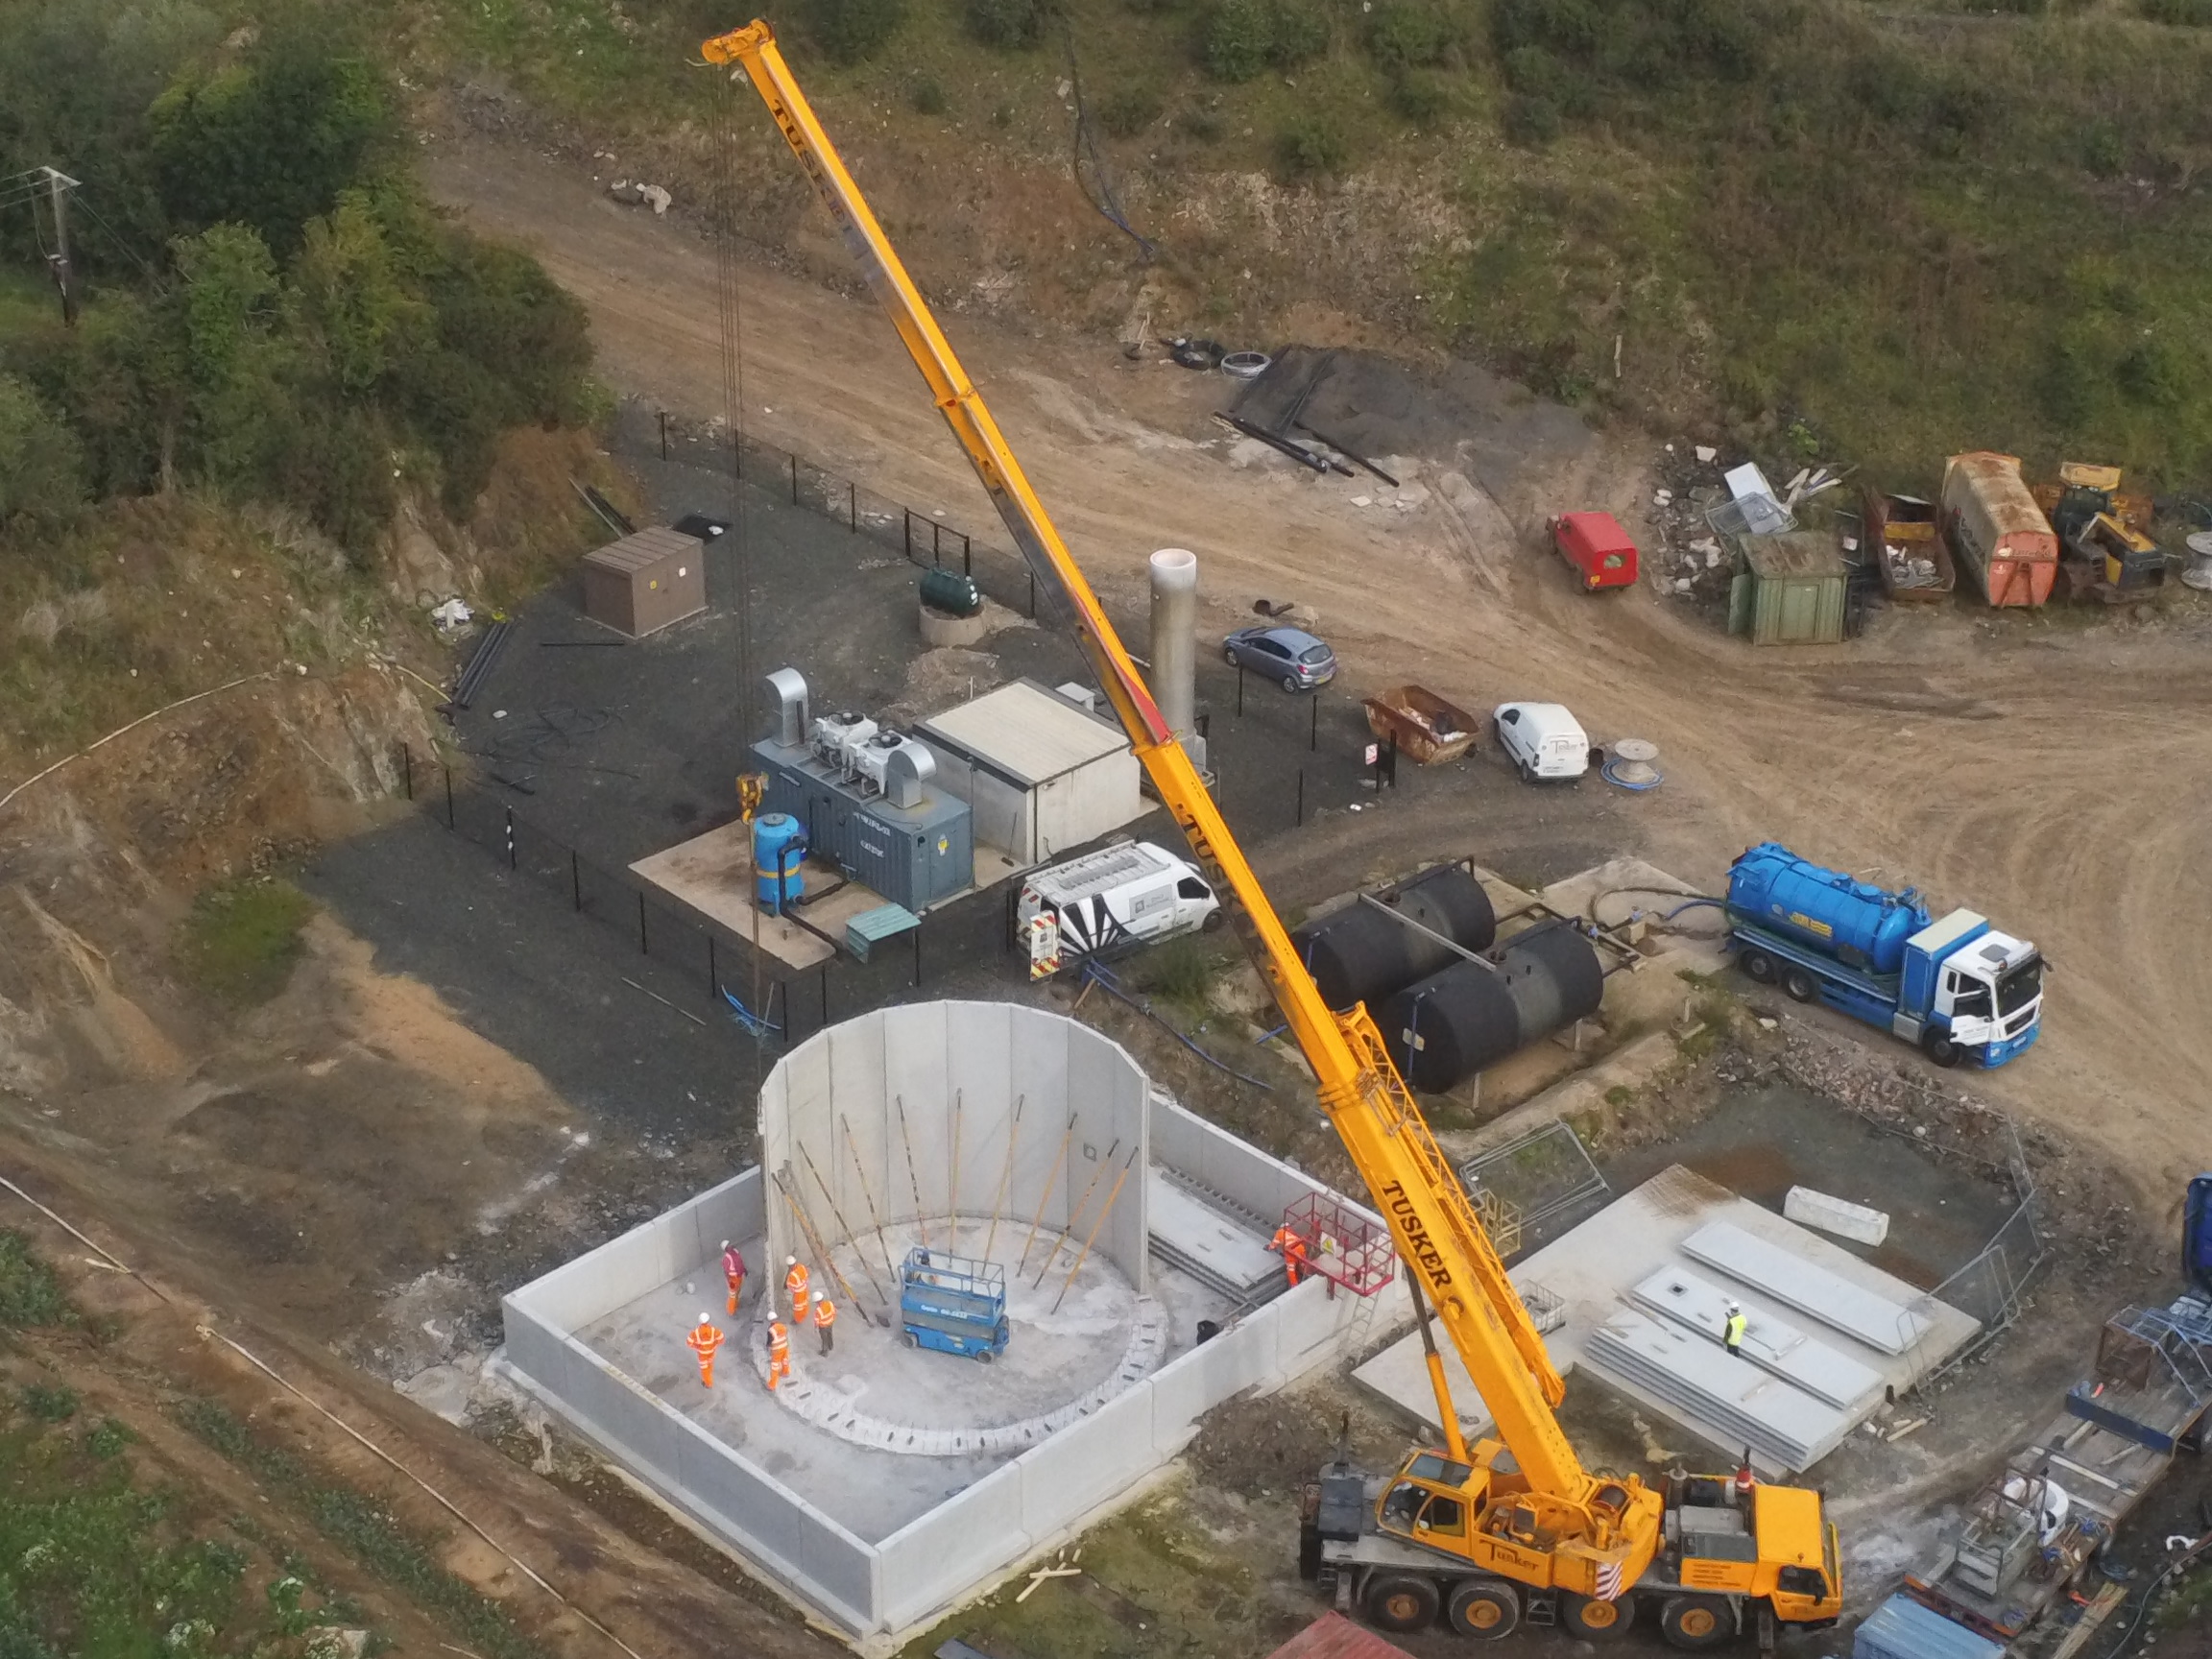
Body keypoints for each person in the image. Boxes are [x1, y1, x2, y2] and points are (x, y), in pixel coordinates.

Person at [685, 1313, 724, 1388]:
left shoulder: (695, 1333)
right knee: (710, 1364)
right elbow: (721, 1339)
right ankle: (709, 1378)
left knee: (704, 1369)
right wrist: (714, 1344)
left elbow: (689, 1342)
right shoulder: (714, 1331)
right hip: (711, 1352)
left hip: (702, 1355)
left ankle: (708, 1383)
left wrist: (697, 1347)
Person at [1268, 1224, 1308, 1288]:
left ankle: (1294, 1285)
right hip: (1300, 1248)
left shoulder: (1280, 1232)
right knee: (1303, 1263)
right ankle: (1307, 1274)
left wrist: (1269, 1247)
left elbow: (1274, 1243)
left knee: (1291, 1269)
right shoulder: (1291, 1231)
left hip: (1290, 1251)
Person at [721, 1239, 747, 1315]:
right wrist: (730, 1282)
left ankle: (736, 1305)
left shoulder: (735, 1251)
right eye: (729, 1245)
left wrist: (744, 1269)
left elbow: (740, 1262)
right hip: (733, 1278)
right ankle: (731, 1312)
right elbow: (726, 1271)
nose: (731, 1245)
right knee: (732, 1295)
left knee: (738, 1291)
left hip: (738, 1276)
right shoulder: (726, 1258)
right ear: (726, 1248)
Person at [784, 1256, 811, 1328]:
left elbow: (790, 1286)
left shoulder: (792, 1275)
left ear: (789, 1266)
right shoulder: (801, 1267)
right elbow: (806, 1275)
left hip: (798, 1294)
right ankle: (805, 1313)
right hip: (805, 1289)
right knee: (805, 1302)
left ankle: (798, 1320)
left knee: (798, 1307)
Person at [766, 1319, 791, 1391]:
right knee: (785, 1360)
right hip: (785, 1346)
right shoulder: (782, 1326)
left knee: (775, 1366)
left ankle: (772, 1385)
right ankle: (785, 1372)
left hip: (777, 1349)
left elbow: (769, 1342)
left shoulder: (771, 1330)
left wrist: (769, 1347)